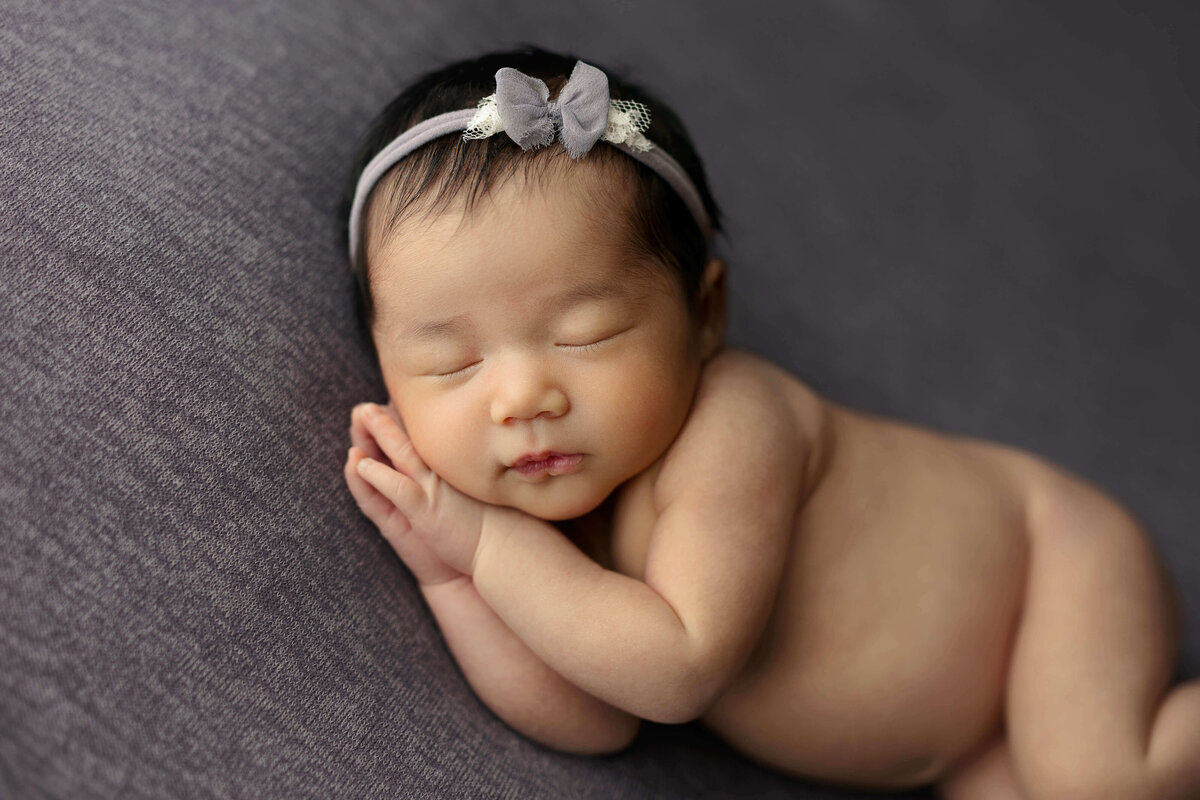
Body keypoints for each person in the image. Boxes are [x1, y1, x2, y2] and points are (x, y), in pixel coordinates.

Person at [339, 47, 1200, 799]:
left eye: (585, 334)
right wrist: (453, 577)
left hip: (1050, 564)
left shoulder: (736, 422)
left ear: (705, 315)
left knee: (1095, 779)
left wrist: (486, 547)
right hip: (974, 736)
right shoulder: (551, 529)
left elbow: (676, 668)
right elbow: (595, 721)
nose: (522, 397)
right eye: (453, 362)